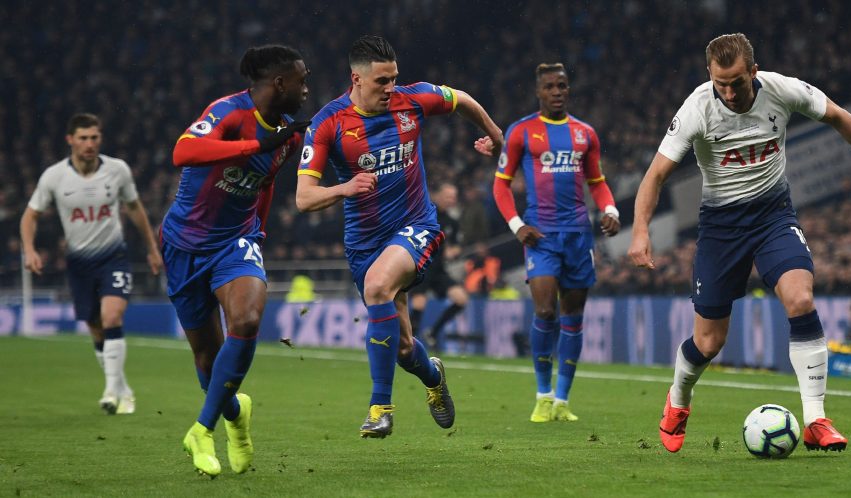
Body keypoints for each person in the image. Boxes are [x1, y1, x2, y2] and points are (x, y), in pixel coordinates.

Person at [627, 33, 851, 453]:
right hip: (721, 228)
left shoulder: (782, 90)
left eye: (737, 83)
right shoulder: (697, 107)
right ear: (710, 75)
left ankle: (816, 419)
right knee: (709, 342)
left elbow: (838, 116)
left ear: (754, 72)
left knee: (800, 299)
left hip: (772, 216)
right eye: (720, 83)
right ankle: (678, 399)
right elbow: (655, 176)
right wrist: (640, 229)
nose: (728, 92)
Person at [296, 35, 503, 438]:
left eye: (394, 78)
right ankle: (433, 376)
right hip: (364, 244)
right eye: (381, 82)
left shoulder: (414, 100)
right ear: (355, 78)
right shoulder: (328, 123)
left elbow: (459, 99)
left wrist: (496, 135)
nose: (391, 88)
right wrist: (344, 188)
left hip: (417, 226)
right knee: (405, 348)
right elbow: (304, 197)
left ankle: (380, 408)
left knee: (377, 287)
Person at [162, 44, 310, 476]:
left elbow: (263, 184)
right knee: (208, 363)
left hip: (236, 241)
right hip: (184, 246)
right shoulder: (229, 112)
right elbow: (183, 153)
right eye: (301, 79)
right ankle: (234, 417)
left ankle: (201, 430)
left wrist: (257, 232)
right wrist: (255, 144)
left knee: (245, 321)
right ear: (278, 82)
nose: (306, 88)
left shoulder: (288, 133)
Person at [492, 63, 620, 423]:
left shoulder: (585, 134)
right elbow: (501, 184)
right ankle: (542, 394)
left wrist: (609, 208)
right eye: (550, 86)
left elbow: (597, 181)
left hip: (579, 235)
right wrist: (517, 225)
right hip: (541, 236)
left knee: (573, 318)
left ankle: (563, 400)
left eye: (562, 85)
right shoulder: (522, 132)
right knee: (546, 312)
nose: (557, 92)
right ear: (539, 92)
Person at [20, 113, 163, 416]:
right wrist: (29, 250)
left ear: (100, 139)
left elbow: (135, 208)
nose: (89, 144)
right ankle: (123, 390)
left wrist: (152, 248)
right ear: (70, 140)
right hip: (79, 263)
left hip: (114, 257)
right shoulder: (55, 177)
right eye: (83, 138)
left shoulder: (117, 170)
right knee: (96, 328)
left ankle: (111, 392)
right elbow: (30, 215)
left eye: (94, 137)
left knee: (112, 317)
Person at [408, 182, 470, 350]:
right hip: (421, 267)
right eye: (448, 196)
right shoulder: (424, 214)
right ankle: (409, 344)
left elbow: (457, 244)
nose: (451, 200)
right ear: (438, 196)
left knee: (461, 299)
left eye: (453, 197)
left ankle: (433, 333)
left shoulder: (452, 222)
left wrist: (453, 250)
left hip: (439, 270)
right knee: (419, 303)